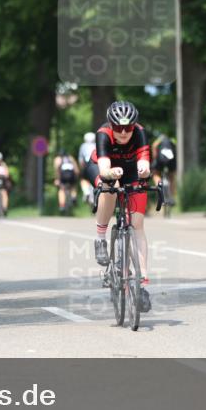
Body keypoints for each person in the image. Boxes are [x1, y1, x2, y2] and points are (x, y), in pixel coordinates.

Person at [84, 101, 153, 312]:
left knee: (138, 225)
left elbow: (146, 165)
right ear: (111, 125)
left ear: (134, 126)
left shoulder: (140, 133)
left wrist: (144, 170)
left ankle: (141, 282)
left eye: (128, 128)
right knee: (110, 185)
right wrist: (110, 174)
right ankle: (100, 237)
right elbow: (104, 168)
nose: (123, 133)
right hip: (102, 168)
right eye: (118, 128)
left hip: (131, 170)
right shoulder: (103, 134)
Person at [150, 132, 177, 207]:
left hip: (160, 160)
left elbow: (154, 146)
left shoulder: (159, 140)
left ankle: (160, 189)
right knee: (172, 177)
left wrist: (155, 159)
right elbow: (175, 149)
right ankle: (172, 197)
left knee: (155, 174)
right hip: (171, 160)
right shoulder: (172, 140)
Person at [53, 149, 79, 214]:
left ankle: (62, 205)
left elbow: (57, 170)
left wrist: (57, 179)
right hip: (71, 176)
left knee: (61, 189)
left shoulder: (57, 159)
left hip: (63, 177)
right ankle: (74, 197)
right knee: (73, 187)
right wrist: (76, 177)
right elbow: (76, 170)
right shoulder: (70, 158)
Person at [78, 132, 97, 205]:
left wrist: (82, 168)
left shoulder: (83, 146)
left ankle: (86, 192)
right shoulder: (96, 145)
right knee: (94, 180)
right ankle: (92, 197)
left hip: (86, 164)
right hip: (95, 165)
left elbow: (80, 159)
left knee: (83, 179)